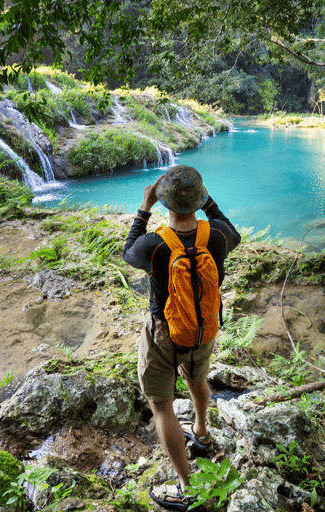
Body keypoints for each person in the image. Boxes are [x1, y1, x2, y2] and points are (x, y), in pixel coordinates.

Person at [123, 165, 240, 511]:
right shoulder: (217, 235)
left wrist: (144, 208)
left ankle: (187, 488)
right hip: (204, 329)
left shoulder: (154, 245)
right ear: (201, 199)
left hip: (164, 334)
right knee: (197, 377)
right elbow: (230, 227)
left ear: (164, 202)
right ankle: (201, 433)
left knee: (161, 405)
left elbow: (128, 250)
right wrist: (205, 200)